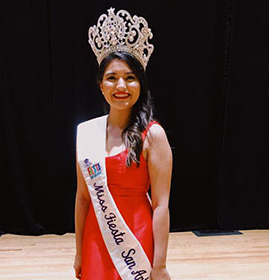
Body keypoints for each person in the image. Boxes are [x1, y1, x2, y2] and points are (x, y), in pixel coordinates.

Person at [73, 8, 172, 280]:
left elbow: (161, 205)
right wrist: (80, 251)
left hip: (135, 241)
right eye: (112, 77)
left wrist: (160, 265)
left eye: (130, 77)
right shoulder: (87, 133)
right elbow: (82, 198)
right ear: (100, 85)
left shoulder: (153, 136)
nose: (121, 86)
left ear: (141, 83)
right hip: (96, 237)